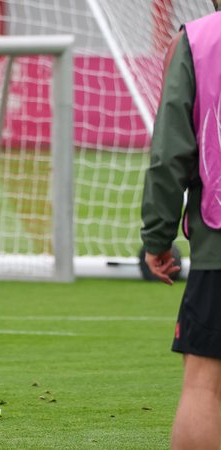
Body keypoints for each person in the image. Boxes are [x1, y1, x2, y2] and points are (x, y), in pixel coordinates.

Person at [141, 1, 221, 449]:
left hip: (218, 245)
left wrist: (158, 237)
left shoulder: (200, 40)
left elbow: (170, 155)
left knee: (203, 384)